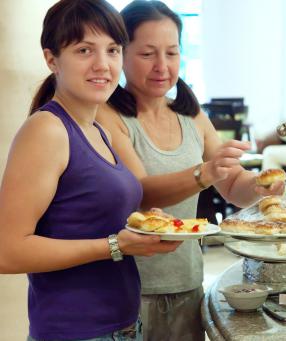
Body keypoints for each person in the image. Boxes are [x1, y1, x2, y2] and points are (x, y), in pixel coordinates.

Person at [96, 1, 285, 339]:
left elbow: (233, 185)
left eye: (172, 53)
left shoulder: (191, 114)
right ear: (120, 54)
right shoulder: (108, 116)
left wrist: (260, 186)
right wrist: (203, 173)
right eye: (147, 54)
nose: (162, 66)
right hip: (129, 289)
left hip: (187, 280)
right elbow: (141, 193)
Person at [0, 1, 182, 340]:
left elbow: (87, 218)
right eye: (84, 50)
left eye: (112, 50)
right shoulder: (47, 130)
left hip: (124, 326)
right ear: (52, 59)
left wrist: (141, 224)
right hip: (75, 331)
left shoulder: (98, 130)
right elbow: (7, 251)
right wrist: (115, 245)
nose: (103, 65)